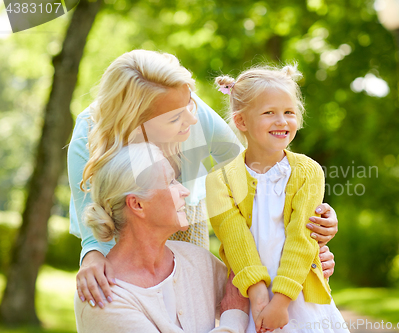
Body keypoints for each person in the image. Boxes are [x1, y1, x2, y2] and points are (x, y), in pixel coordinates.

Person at [68, 50, 339, 309]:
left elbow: (256, 173)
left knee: (194, 304)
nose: (192, 118)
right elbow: (93, 211)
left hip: (186, 217)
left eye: (190, 104)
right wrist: (93, 256)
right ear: (136, 122)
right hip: (125, 227)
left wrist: (306, 228)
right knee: (131, 300)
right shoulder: (90, 133)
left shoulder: (192, 112)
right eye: (175, 117)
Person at [206, 65, 350, 333]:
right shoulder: (219, 181)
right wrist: (261, 299)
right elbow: (236, 241)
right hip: (252, 301)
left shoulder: (308, 172)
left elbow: (302, 238)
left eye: (289, 112)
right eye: (269, 112)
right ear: (241, 122)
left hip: (301, 299)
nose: (282, 121)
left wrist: (281, 302)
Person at [74, 142, 249, 332]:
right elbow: (238, 305)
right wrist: (234, 316)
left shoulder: (198, 261)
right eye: (171, 182)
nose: (185, 191)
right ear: (137, 204)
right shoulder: (102, 297)